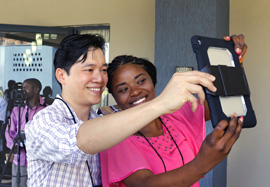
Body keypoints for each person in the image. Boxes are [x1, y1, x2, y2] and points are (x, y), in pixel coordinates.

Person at [25, 34, 244, 187]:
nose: (99, 78)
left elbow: (213, 103)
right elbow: (75, 141)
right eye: (89, 69)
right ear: (61, 76)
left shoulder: (105, 116)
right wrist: (160, 103)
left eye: (102, 70)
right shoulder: (43, 123)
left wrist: (230, 61)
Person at [99, 50, 246, 186]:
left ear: (152, 81)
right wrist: (204, 162)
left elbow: (219, 102)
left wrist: (232, 63)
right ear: (115, 97)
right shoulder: (115, 139)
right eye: (123, 89)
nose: (135, 91)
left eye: (141, 81)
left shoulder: (177, 114)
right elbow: (144, 184)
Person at [5, 78, 46, 187]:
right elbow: (9, 131)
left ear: (36, 89)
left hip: (40, 160)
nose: (23, 91)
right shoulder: (17, 109)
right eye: (22, 88)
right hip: (20, 159)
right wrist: (12, 145)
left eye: (26, 88)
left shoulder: (46, 110)